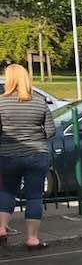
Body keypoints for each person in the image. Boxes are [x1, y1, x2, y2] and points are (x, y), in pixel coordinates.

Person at [0, 64, 55, 250]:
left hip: (8, 155)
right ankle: (32, 238)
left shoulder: (1, 102)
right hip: (37, 154)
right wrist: (36, 138)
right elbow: (50, 131)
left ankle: (1, 228)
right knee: (34, 196)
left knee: (7, 191)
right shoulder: (40, 102)